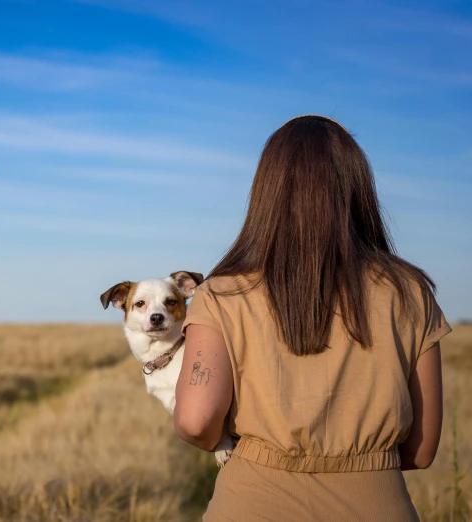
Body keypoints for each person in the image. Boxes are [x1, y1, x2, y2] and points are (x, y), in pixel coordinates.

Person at [173, 115, 451, 521]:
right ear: (356, 188)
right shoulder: (409, 292)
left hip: (250, 503)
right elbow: (423, 450)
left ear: (266, 192)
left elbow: (197, 422)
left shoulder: (221, 295)